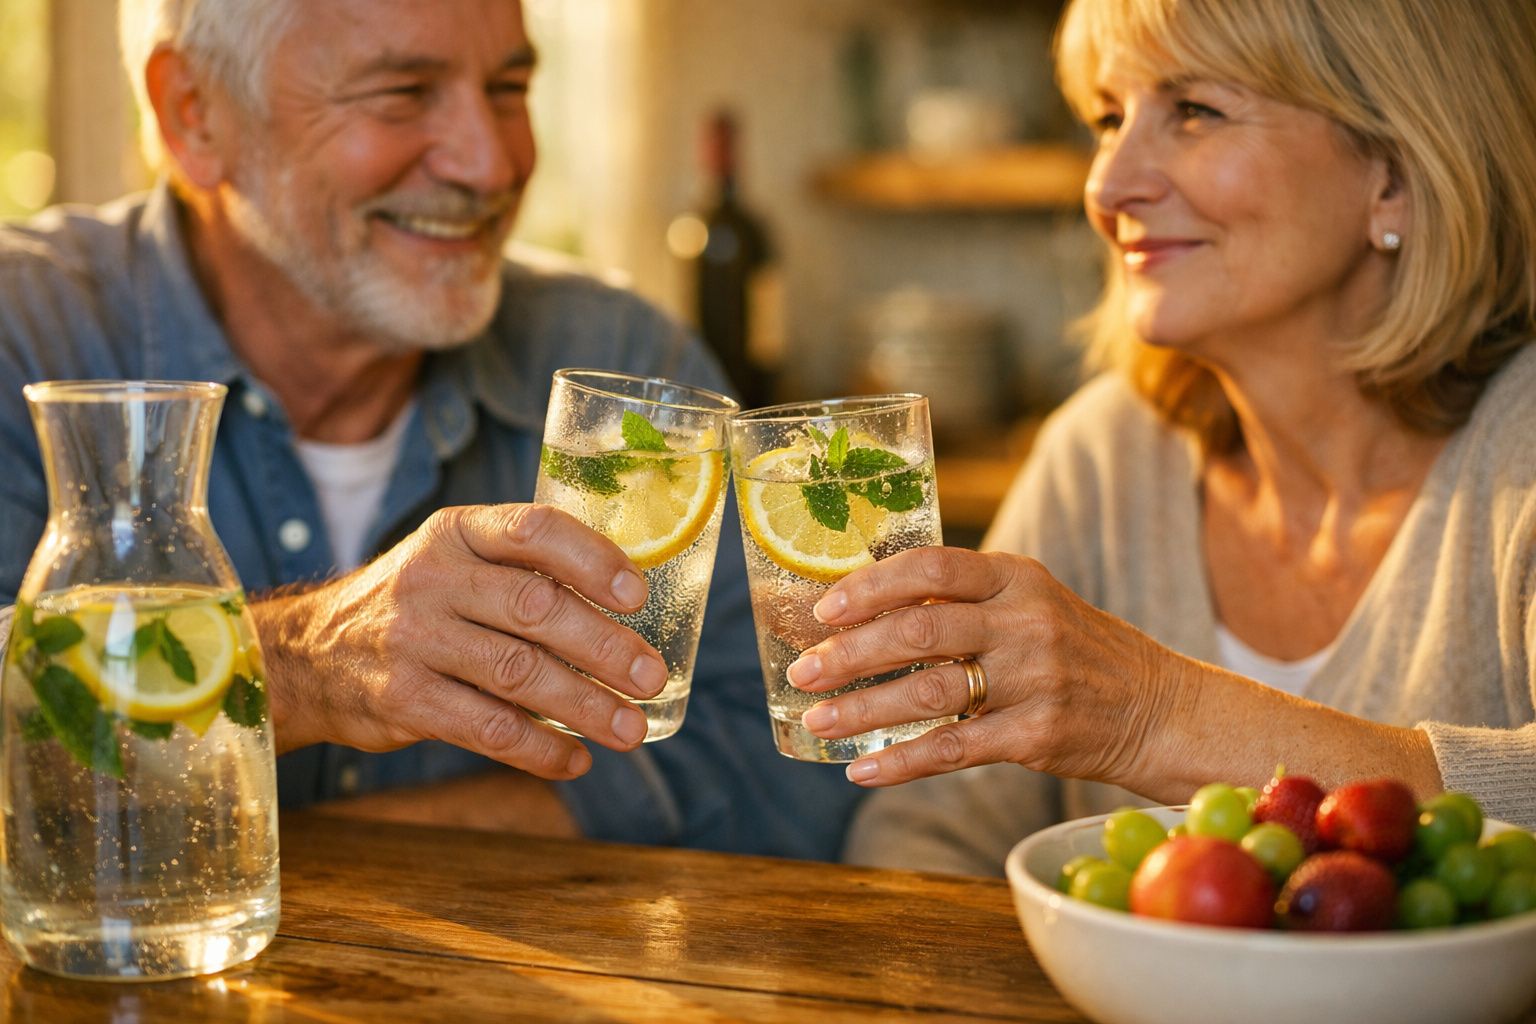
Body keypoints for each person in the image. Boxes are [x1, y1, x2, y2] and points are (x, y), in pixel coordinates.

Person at [0, 0, 861, 859]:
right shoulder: (24, 330)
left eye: (509, 86)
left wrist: (281, 851)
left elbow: (794, 764)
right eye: (402, 94)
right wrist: (303, 664)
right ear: (194, 111)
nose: (490, 165)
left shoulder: (627, 363)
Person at [778, 0, 1536, 876]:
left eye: (1196, 111)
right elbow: (926, 840)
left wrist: (1156, 711)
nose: (1105, 187)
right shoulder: (1101, 457)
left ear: (1394, 176)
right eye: (1108, 118)